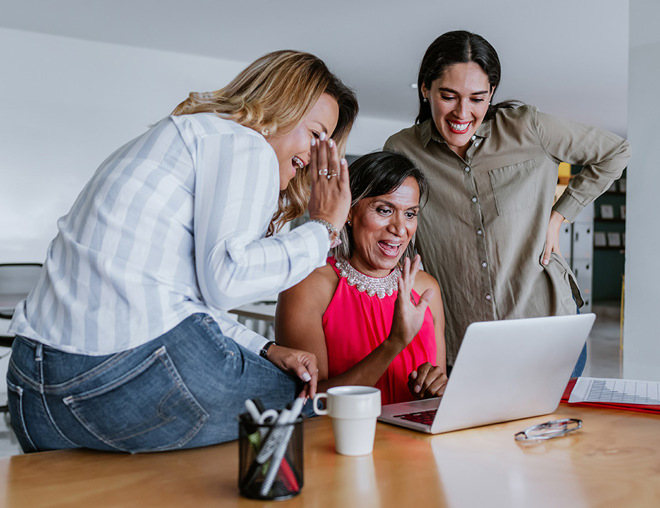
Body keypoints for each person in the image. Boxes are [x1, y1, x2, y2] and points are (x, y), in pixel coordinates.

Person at [6, 50, 359, 453]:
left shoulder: (181, 136)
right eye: (316, 134)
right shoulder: (246, 143)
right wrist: (324, 226)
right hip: (119, 377)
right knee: (308, 399)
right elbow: (229, 281)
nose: (316, 156)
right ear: (280, 105)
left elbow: (181, 300)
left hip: (31, 388)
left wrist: (267, 347)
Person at [384, 31, 631, 376]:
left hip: (547, 327)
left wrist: (560, 216)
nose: (462, 112)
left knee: (550, 429)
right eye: (448, 96)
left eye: (477, 98)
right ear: (425, 89)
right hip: (462, 339)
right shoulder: (402, 150)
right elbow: (395, 230)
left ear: (492, 94)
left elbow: (616, 152)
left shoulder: (527, 129)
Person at [276, 152, 447, 405]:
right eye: (384, 210)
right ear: (349, 212)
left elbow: (437, 387)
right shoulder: (308, 287)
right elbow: (312, 404)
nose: (400, 228)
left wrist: (435, 387)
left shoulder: (425, 289)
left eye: (410, 214)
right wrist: (394, 343)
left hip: (417, 442)